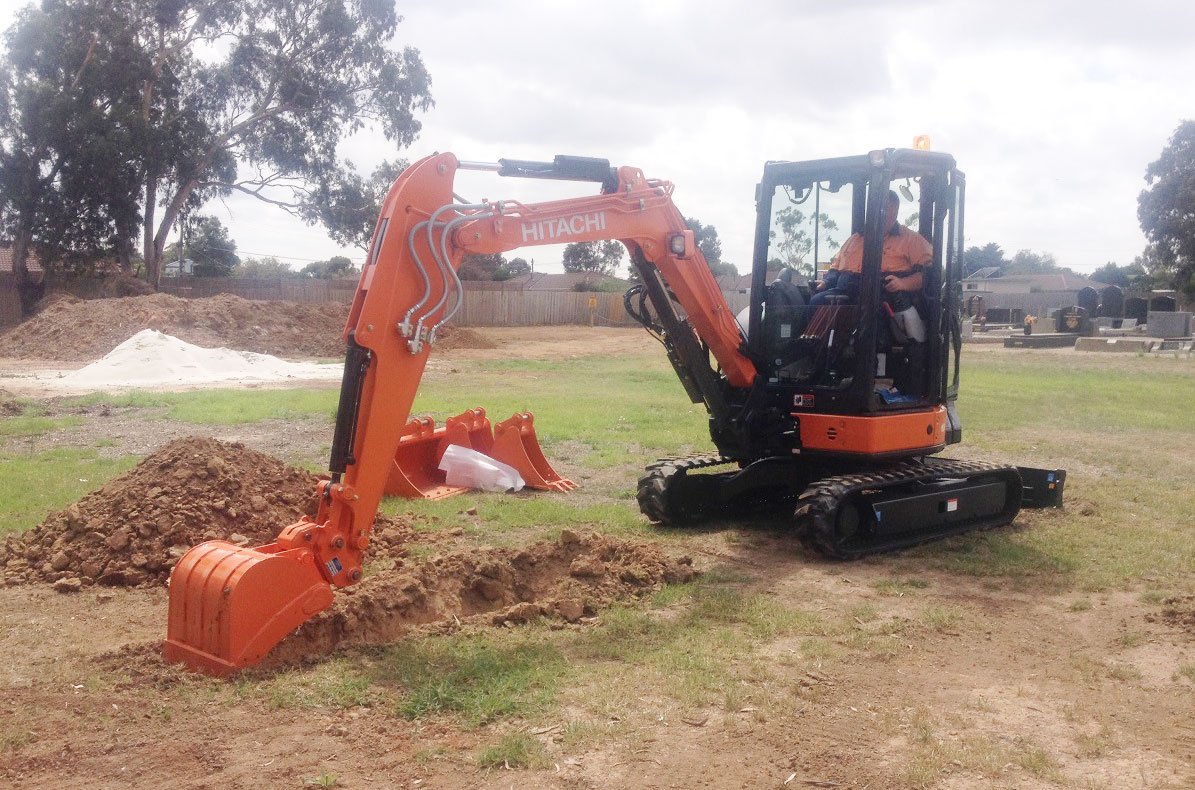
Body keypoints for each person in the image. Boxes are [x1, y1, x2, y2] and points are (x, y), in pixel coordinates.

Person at [809, 190, 931, 305]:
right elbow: (835, 268)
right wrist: (826, 282)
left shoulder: (911, 239)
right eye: (876, 211)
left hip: (882, 296)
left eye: (886, 212)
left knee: (874, 313)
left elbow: (929, 274)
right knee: (816, 301)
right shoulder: (855, 239)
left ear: (895, 212)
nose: (880, 217)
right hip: (846, 291)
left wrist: (903, 283)